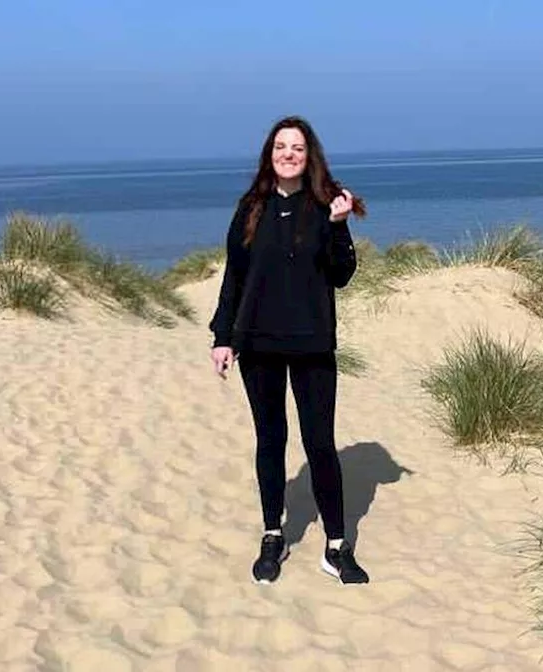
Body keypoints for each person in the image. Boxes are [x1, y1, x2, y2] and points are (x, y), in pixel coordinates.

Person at [209, 115, 370, 585]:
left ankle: (336, 546)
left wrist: (340, 226)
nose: (288, 154)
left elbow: (342, 273)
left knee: (320, 443)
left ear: (309, 155)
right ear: (269, 153)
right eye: (281, 146)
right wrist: (223, 337)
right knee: (271, 440)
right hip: (257, 343)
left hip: (312, 344)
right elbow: (234, 277)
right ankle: (273, 534)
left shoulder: (325, 207)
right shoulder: (251, 207)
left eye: (297, 148)